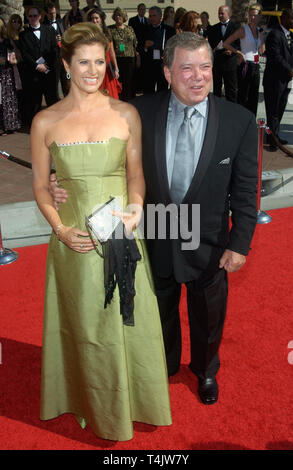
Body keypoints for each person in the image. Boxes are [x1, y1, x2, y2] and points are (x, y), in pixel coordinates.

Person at [50, 32, 258, 406]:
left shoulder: (237, 120)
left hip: (207, 235)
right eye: (187, 68)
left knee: (208, 312)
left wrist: (240, 242)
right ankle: (162, 366)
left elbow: (245, 189)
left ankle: (206, 371)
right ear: (167, 72)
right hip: (155, 229)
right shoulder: (138, 113)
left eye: (206, 67)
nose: (199, 77)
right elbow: (106, 162)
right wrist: (59, 180)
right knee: (159, 307)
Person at [31, 22, 171, 441]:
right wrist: (58, 229)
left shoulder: (126, 114)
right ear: (67, 64)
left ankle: (137, 400)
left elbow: (136, 176)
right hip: (74, 240)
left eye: (99, 61)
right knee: (86, 325)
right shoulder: (45, 121)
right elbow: (40, 186)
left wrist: (135, 210)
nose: (92, 71)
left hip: (121, 237)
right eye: (83, 62)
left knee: (128, 321)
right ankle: (90, 400)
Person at [18, 6, 59, 125]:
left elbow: (54, 49)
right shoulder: (23, 35)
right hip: (34, 74)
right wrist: (37, 65)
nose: (33, 18)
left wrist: (48, 65)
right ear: (27, 18)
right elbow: (25, 53)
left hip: (49, 72)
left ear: (40, 16)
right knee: (34, 103)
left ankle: (56, 125)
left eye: (35, 15)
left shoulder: (49, 30)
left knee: (52, 101)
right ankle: (36, 128)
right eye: (30, 16)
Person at [223, 3, 265, 116]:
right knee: (243, 95)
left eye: (255, 15)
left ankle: (251, 120)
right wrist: (238, 52)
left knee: (254, 96)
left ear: (259, 17)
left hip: (256, 65)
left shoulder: (259, 31)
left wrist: (262, 36)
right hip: (246, 64)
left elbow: (261, 51)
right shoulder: (243, 30)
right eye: (250, 15)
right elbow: (226, 43)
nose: (252, 18)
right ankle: (241, 119)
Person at [263, 8, 293, 151]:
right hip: (274, 80)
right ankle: (272, 140)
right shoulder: (274, 34)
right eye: (292, 19)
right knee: (273, 111)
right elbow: (276, 57)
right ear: (285, 18)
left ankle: (275, 135)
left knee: (280, 110)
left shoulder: (289, 35)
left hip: (285, 81)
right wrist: (290, 69)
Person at [208, 5, 240, 102]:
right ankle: (216, 110)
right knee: (217, 89)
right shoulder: (213, 28)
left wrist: (232, 50)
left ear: (228, 14)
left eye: (222, 13)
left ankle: (232, 111)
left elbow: (239, 44)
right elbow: (211, 44)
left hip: (230, 63)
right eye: (219, 13)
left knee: (231, 90)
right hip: (218, 62)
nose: (220, 15)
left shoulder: (237, 28)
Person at [87, 8, 120, 99]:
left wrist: (116, 68)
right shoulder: (87, 33)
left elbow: (112, 52)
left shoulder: (107, 32)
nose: (94, 20)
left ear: (101, 19)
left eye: (96, 18)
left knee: (110, 94)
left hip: (108, 68)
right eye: (92, 18)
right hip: (94, 68)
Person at [142, 6, 175, 94]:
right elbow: (139, 48)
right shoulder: (144, 29)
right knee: (148, 91)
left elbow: (174, 47)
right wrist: (145, 46)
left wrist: (167, 55)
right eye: (150, 16)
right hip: (149, 64)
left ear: (160, 16)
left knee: (163, 90)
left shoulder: (169, 30)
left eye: (154, 16)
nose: (152, 18)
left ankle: (162, 107)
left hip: (163, 63)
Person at [109, 8, 137, 101]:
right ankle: (120, 101)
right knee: (118, 82)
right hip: (117, 59)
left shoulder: (130, 29)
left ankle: (130, 101)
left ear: (124, 16)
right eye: (116, 15)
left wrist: (137, 56)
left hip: (130, 58)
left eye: (120, 15)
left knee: (129, 82)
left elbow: (135, 43)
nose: (118, 17)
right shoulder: (111, 29)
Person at [0, 18, 21, 135]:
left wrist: (13, 59)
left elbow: (14, 54)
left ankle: (11, 125)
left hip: (7, 73)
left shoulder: (7, 41)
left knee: (9, 99)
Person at [43, 2, 68, 97]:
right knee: (55, 84)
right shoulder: (43, 25)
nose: (53, 15)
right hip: (52, 58)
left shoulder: (60, 22)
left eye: (54, 13)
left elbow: (66, 36)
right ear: (46, 13)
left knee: (66, 80)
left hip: (63, 56)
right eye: (50, 13)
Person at [128, 3, 149, 93]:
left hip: (145, 48)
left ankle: (143, 88)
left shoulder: (147, 21)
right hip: (136, 48)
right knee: (136, 68)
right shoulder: (132, 20)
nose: (142, 11)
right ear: (138, 10)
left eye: (144, 9)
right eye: (141, 9)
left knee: (144, 69)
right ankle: (136, 88)